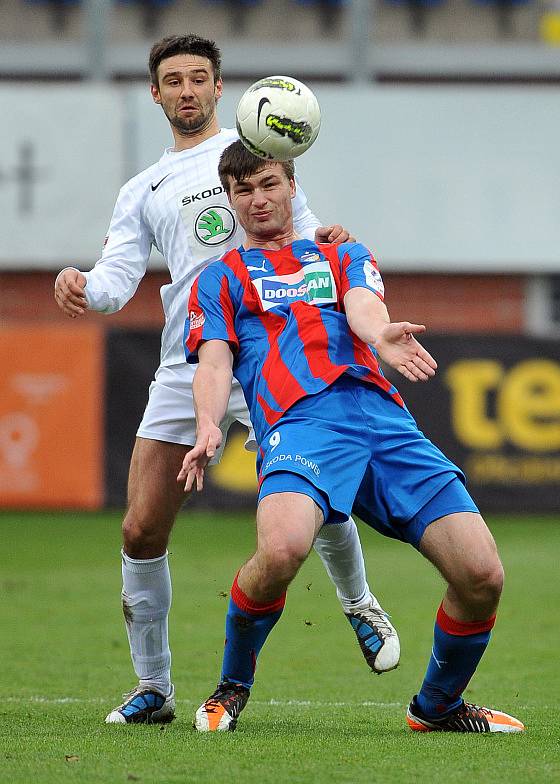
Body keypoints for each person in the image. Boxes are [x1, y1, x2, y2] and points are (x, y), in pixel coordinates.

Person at [54, 35, 399, 725]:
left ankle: (359, 602)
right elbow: (118, 283)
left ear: (220, 88)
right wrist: (83, 287)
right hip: (191, 361)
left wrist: (329, 241)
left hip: (275, 350)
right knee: (141, 526)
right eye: (173, 80)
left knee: (320, 497)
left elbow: (307, 239)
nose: (186, 90)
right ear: (155, 93)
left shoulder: (255, 152)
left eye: (199, 78)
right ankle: (154, 689)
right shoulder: (143, 188)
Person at [179, 141, 525, 735]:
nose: (257, 199)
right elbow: (213, 362)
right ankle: (232, 686)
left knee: (483, 575)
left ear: (292, 185)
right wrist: (208, 422)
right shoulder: (220, 278)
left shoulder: (340, 251)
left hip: (383, 422)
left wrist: (382, 335)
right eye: (243, 190)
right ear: (230, 201)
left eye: (267, 184)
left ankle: (436, 708)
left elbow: (364, 308)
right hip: (300, 425)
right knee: (283, 550)